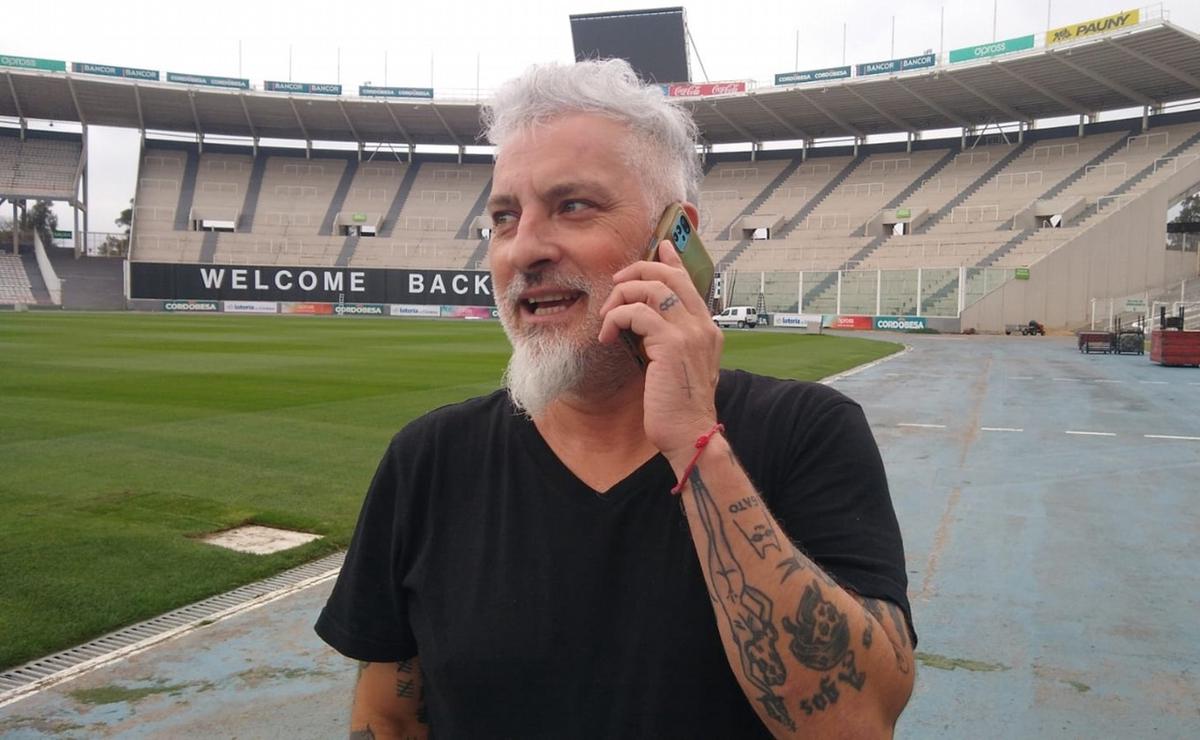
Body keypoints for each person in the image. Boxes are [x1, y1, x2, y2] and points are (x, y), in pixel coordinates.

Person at [315, 58, 916, 739]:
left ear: (674, 240)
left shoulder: (807, 434)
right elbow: (388, 718)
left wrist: (695, 440)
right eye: (504, 218)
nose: (525, 249)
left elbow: (856, 724)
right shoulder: (430, 459)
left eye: (573, 206)